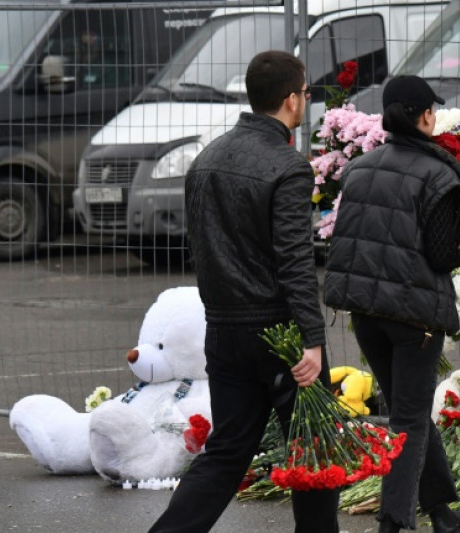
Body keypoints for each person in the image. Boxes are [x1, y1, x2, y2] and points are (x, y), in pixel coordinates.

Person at [148, 50, 339, 533]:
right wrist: (312, 340)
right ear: (292, 99)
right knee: (312, 450)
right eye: (305, 92)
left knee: (227, 452)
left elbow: (205, 247)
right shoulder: (288, 166)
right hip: (279, 334)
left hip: (224, 328)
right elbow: (295, 261)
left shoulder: (207, 159)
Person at [323, 75, 460, 533]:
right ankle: (395, 523)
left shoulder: (359, 168)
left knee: (408, 409)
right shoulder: (442, 174)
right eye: (432, 109)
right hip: (415, 320)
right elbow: (442, 255)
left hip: (368, 314)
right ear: (423, 115)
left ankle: (443, 514)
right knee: (409, 418)